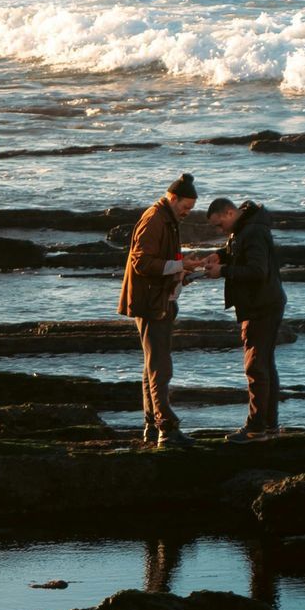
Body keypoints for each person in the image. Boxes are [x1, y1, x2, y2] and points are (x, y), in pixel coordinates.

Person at [117, 173, 200, 449]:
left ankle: (151, 428)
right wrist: (180, 266)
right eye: (186, 206)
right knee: (160, 367)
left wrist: (185, 270)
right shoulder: (155, 220)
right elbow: (142, 263)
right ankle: (166, 428)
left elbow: (161, 262)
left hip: (157, 299)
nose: (188, 212)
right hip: (153, 304)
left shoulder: (167, 218)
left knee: (152, 365)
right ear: (173, 198)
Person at [205, 193, 287, 439]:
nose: (220, 230)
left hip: (261, 306)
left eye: (220, 224)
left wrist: (223, 271)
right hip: (265, 303)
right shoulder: (246, 226)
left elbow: (257, 270)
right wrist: (221, 254)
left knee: (255, 368)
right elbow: (240, 250)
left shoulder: (252, 231)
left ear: (230, 213)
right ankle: (269, 425)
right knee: (265, 366)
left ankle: (256, 428)